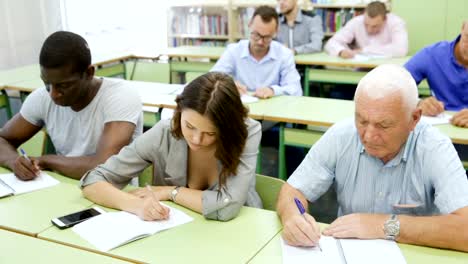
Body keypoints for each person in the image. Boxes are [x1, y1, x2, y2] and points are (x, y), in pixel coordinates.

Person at [277, 64, 468, 252]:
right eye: (362, 120)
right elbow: (293, 190)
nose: (368, 136)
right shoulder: (342, 135)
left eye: (383, 125)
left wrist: (385, 226)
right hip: (348, 252)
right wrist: (292, 216)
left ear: (414, 118)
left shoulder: (434, 148)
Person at [81, 72, 263, 221]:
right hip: (177, 234)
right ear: (179, 111)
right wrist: (136, 205)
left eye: (210, 133)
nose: (197, 139)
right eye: (190, 126)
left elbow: (227, 207)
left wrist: (171, 192)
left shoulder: (247, 132)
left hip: (239, 231)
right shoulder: (164, 132)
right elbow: (93, 180)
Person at [0, 31, 143, 180]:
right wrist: (13, 161)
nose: (53, 94)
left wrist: (46, 160)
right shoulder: (42, 97)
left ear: (89, 73)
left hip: (113, 194)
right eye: (47, 83)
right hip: (64, 187)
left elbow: (104, 167)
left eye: (64, 85)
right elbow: (2, 139)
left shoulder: (120, 96)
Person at [211, 5, 302, 99]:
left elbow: (296, 90)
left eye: (266, 37)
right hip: (240, 109)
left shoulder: (284, 54)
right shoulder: (234, 51)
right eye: (256, 35)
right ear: (249, 25)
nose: (260, 42)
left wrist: (273, 90)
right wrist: (228, 85)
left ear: (276, 32)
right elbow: (210, 79)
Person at [405, 21, 468, 128]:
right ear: (462, 29)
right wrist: (418, 103)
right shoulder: (433, 55)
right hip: (442, 129)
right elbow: (395, 85)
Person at [324, 1, 408, 59]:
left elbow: (401, 49)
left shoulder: (396, 23)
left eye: (375, 26)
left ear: (385, 19)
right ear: (364, 16)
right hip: (361, 68)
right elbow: (331, 43)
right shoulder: (356, 21)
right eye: (366, 24)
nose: (369, 29)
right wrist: (341, 51)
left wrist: (364, 50)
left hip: (387, 69)